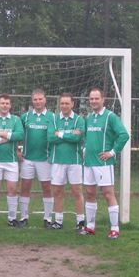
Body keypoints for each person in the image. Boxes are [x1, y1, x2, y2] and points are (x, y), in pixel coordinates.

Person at [80, 87, 130, 239]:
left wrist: (112, 152)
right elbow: (86, 137)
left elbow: (123, 135)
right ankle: (90, 227)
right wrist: (84, 148)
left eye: (96, 98)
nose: (93, 101)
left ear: (103, 99)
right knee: (89, 193)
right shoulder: (89, 117)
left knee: (108, 194)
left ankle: (114, 228)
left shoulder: (110, 116)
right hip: (88, 163)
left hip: (103, 163)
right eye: (91, 99)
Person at [0, 94, 24, 227]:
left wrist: (1, 134)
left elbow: (20, 135)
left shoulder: (16, 119)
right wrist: (9, 137)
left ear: (10, 105)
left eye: (7, 103)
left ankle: (12, 218)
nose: (5, 105)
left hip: (12, 160)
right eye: (2, 103)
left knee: (12, 189)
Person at [47, 93, 85, 230]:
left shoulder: (79, 120)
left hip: (74, 161)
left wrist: (60, 134)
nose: (64, 106)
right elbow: (50, 138)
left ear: (72, 104)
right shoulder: (54, 119)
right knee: (57, 191)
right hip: (57, 161)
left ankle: (80, 221)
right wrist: (69, 134)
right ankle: (58, 221)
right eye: (62, 103)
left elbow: (77, 138)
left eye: (66, 103)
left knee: (77, 191)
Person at [19, 89, 55, 227]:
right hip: (27, 158)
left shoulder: (52, 117)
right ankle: (23, 217)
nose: (38, 102)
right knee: (25, 187)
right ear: (32, 101)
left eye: (40, 99)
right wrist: (18, 150)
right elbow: (17, 133)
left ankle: (47, 218)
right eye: (35, 99)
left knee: (46, 187)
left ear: (45, 100)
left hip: (45, 158)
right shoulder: (25, 117)